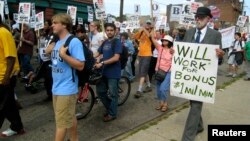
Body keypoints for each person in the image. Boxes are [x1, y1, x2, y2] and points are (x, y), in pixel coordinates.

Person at [181, 7, 224, 141]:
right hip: (190, 76)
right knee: (193, 102)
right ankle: (198, 125)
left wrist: (220, 55)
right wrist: (174, 52)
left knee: (196, 105)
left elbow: (219, 59)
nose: (197, 19)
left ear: (208, 19)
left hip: (203, 79)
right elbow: (183, 52)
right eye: (196, 17)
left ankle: (187, 138)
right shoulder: (189, 33)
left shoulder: (215, 35)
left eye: (201, 17)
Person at [50, 13, 85, 141]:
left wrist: (64, 56)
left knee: (61, 124)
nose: (52, 25)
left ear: (64, 25)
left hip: (67, 88)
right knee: (69, 117)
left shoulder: (74, 41)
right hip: (57, 87)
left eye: (55, 23)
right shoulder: (58, 42)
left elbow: (81, 65)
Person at [0, 15, 25, 137]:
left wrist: (6, 77)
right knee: (8, 104)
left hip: (5, 77)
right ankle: (17, 127)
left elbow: (10, 57)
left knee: (2, 106)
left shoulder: (3, 32)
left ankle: (17, 126)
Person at [94, 23, 122, 122]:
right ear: (105, 31)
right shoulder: (105, 42)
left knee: (113, 94)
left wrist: (102, 62)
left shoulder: (117, 42)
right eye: (108, 30)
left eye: (111, 30)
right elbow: (97, 52)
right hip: (103, 72)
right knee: (101, 92)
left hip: (113, 73)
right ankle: (111, 107)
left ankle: (112, 114)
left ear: (115, 31)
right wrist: (89, 58)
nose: (109, 32)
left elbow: (116, 58)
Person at [151, 34, 174, 112]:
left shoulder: (173, 50)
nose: (164, 41)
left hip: (168, 72)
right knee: (158, 89)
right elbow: (153, 40)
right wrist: (151, 33)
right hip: (159, 71)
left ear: (170, 42)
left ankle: (165, 103)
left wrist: (174, 52)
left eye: (166, 40)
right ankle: (161, 103)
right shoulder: (160, 48)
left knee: (163, 88)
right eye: (163, 40)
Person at [133, 21, 153, 98]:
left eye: (148, 24)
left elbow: (150, 36)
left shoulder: (152, 31)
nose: (147, 25)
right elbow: (134, 37)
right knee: (145, 71)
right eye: (146, 23)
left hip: (147, 55)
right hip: (141, 54)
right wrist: (138, 30)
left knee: (142, 72)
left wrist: (144, 29)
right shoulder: (141, 32)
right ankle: (148, 85)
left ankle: (139, 90)